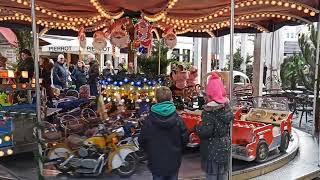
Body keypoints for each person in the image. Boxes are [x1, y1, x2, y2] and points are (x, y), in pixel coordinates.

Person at [139, 86, 188, 180]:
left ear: (156, 100)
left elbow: (142, 141)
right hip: (173, 161)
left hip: (156, 162)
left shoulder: (148, 121)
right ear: (171, 99)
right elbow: (184, 139)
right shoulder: (178, 120)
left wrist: (149, 152)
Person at [194, 72, 233, 180]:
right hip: (225, 148)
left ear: (210, 94)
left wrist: (196, 128)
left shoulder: (209, 112)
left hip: (212, 150)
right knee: (223, 174)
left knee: (212, 175)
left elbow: (207, 131)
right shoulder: (227, 108)